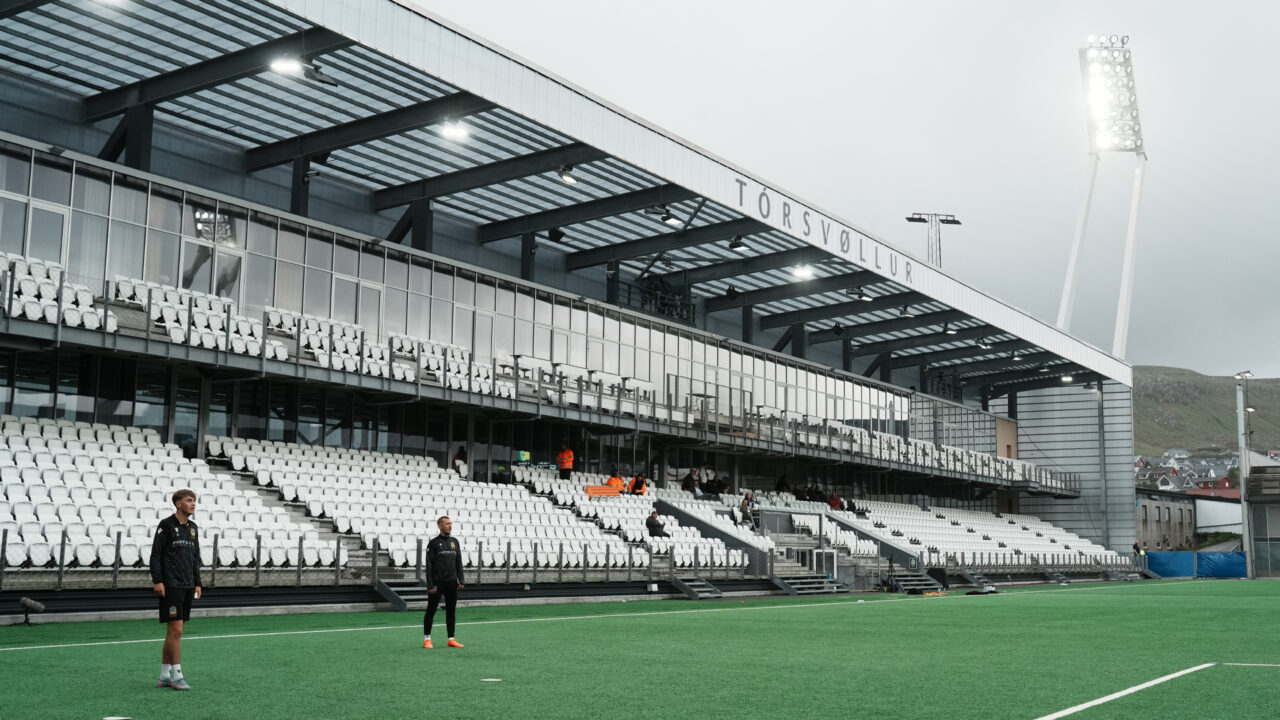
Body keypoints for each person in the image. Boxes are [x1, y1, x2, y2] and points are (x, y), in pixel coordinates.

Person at [150, 488, 203, 691]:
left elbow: (195, 557)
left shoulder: (193, 528)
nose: (193, 504)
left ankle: (164, 675)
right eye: (189, 500)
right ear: (178, 503)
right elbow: (156, 555)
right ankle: (177, 675)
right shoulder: (166, 525)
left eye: (195, 500)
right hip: (171, 585)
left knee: (173, 632)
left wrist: (197, 582)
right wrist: (158, 580)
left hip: (188, 584)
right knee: (177, 630)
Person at [423, 516, 465, 649]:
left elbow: (458, 561)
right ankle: (427, 639)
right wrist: (430, 584)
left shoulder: (455, 542)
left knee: (451, 611)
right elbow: (429, 565)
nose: (450, 526)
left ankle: (451, 639)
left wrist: (461, 579)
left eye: (451, 524)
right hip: (437, 582)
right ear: (440, 526)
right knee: (431, 610)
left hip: (452, 582)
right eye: (447, 524)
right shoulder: (434, 543)